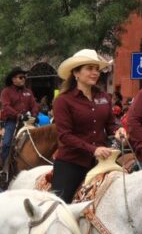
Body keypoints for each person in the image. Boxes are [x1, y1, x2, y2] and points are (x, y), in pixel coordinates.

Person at [50, 49, 119, 202]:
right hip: (72, 162)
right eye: (89, 68)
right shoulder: (63, 100)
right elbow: (65, 136)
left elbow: (111, 125)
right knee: (59, 205)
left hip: (102, 160)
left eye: (97, 69)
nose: (95, 73)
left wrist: (119, 131)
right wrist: (93, 149)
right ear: (76, 73)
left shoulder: (104, 97)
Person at [0, 67, 37, 164]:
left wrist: (35, 115)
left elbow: (34, 105)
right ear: (13, 79)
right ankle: (2, 167)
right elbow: (6, 106)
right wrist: (18, 115)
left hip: (28, 121)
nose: (23, 79)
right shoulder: (6, 91)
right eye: (20, 77)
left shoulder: (29, 91)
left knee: (41, 139)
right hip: (12, 121)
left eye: (24, 77)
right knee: (6, 144)